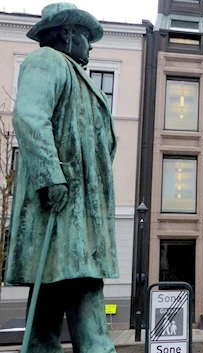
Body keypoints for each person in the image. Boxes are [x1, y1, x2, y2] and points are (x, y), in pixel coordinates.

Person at [5, 3, 118, 352]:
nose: (90, 45)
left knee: (54, 288)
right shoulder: (47, 61)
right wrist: (51, 177)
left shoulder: (76, 74)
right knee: (80, 283)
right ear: (68, 34)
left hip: (80, 204)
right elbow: (29, 116)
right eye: (86, 36)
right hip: (63, 202)